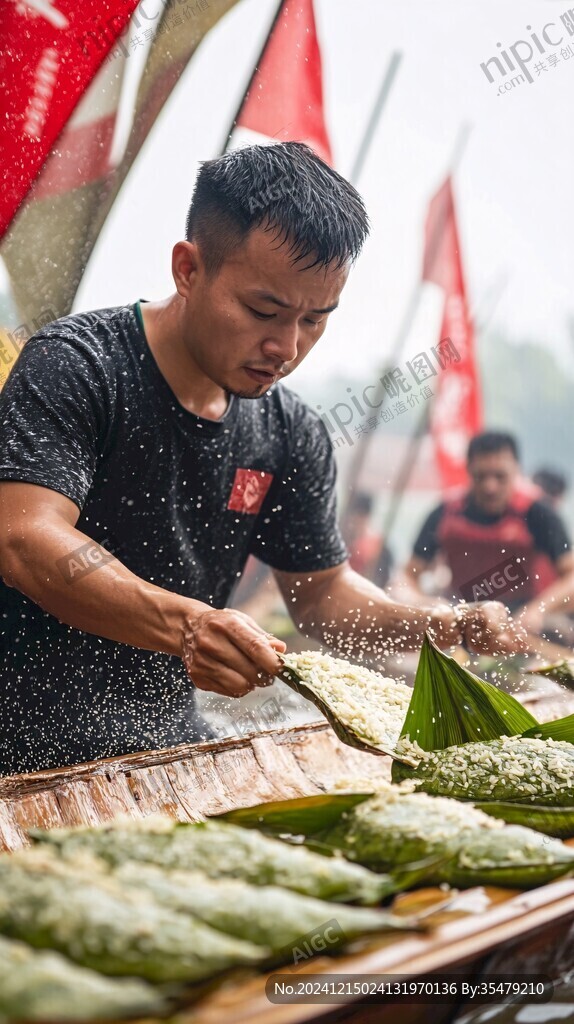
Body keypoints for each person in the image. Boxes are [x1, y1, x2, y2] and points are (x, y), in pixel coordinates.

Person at [0, 144, 523, 775]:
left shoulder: (290, 430)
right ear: (188, 269)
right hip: (19, 740)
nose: (286, 346)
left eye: (315, 319)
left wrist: (443, 628)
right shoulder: (80, 367)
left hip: (161, 747)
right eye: (262, 311)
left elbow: (322, 594)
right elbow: (24, 537)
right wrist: (189, 626)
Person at [403, 431, 574, 634]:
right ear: (468, 471)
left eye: (500, 477)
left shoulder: (538, 513)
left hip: (520, 619)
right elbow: (407, 576)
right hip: (460, 616)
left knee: (559, 632)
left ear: (516, 471)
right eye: (481, 476)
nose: (490, 486)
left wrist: (538, 609)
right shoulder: (444, 512)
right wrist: (424, 603)